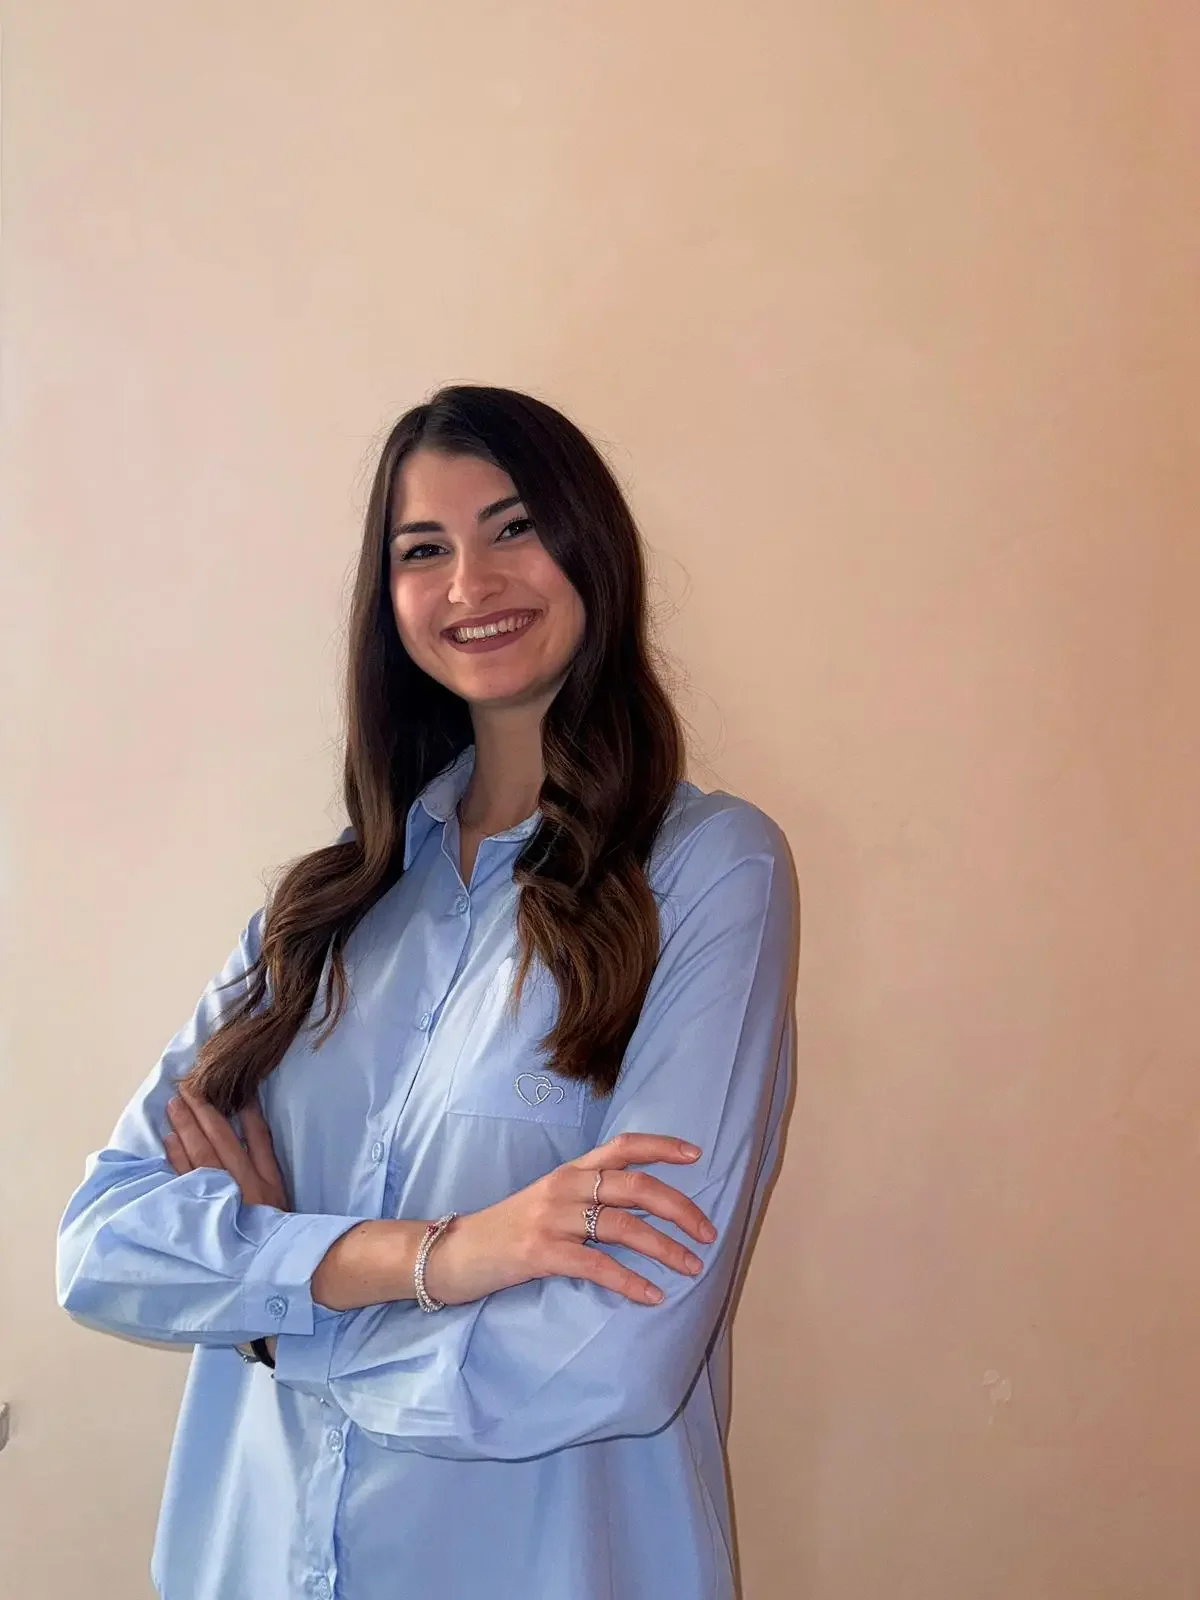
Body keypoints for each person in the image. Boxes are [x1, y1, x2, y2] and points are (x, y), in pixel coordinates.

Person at [56, 385, 797, 1600]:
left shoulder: (710, 872)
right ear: (386, 598)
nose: (470, 582)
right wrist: (437, 1257)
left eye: (513, 527)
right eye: (422, 550)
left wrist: (275, 1309)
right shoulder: (317, 915)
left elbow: (615, 1352)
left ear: (592, 547)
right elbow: (103, 1239)